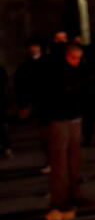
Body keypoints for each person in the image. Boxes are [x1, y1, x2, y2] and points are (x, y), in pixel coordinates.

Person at [40, 42, 88, 220]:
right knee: (60, 160)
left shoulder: (77, 70)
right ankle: (60, 199)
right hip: (59, 118)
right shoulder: (54, 72)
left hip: (74, 116)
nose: (76, 61)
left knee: (74, 158)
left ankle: (74, 193)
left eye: (78, 58)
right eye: (73, 58)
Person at [15, 39, 48, 171]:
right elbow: (20, 87)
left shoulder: (47, 63)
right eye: (30, 47)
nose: (33, 49)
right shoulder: (24, 66)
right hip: (37, 102)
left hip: (49, 102)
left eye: (35, 46)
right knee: (44, 133)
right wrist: (23, 105)